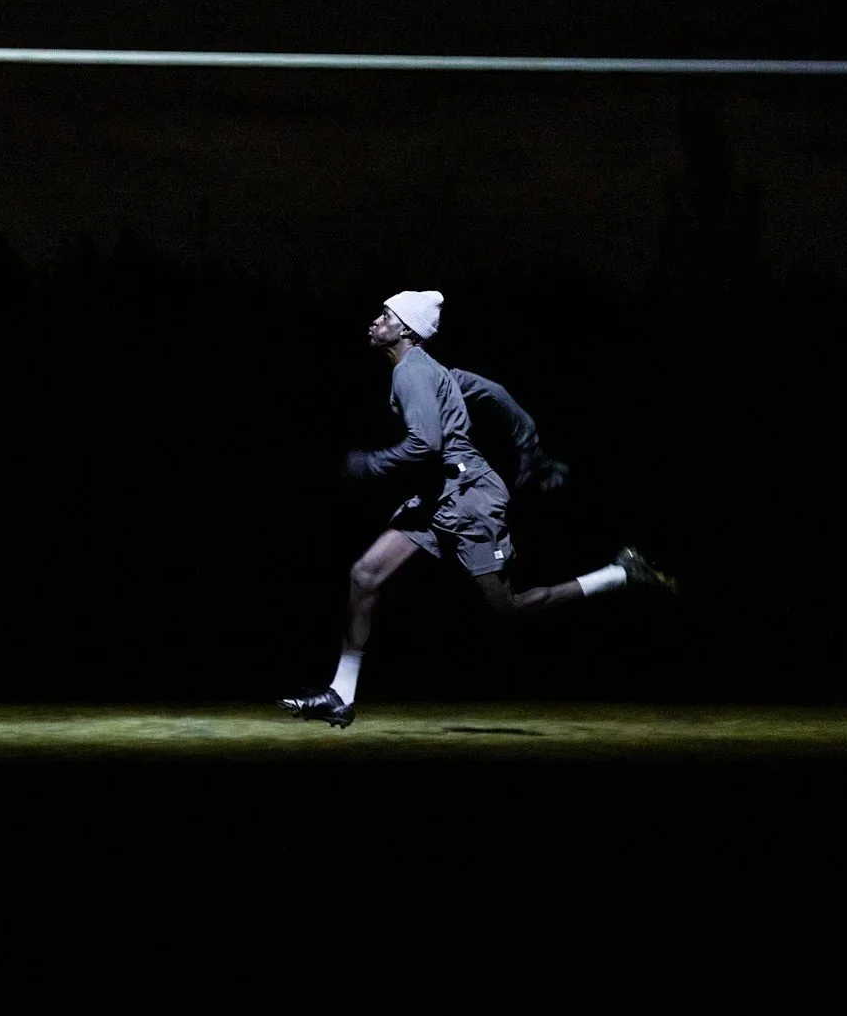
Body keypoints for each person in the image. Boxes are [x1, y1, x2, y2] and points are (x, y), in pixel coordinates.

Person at [277, 289, 677, 729]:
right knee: (365, 575)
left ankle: (620, 574)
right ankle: (341, 694)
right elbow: (495, 392)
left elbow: (424, 444)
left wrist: (369, 464)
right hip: (438, 496)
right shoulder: (432, 370)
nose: (375, 321)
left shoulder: (411, 372)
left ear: (406, 328)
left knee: (507, 609)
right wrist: (530, 445)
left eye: (385, 315)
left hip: (469, 499)